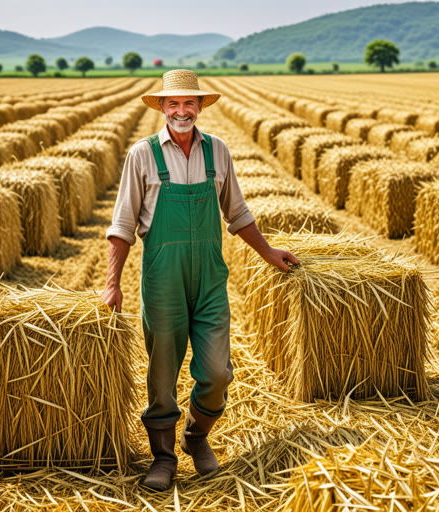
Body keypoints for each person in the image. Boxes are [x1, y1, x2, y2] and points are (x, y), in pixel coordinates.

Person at [101, 69, 299, 491]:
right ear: (162, 108)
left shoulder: (218, 152)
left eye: (189, 103)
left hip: (210, 276)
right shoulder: (143, 154)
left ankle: (196, 436)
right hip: (162, 277)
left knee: (217, 371)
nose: (181, 110)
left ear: (200, 107)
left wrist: (268, 252)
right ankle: (164, 457)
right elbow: (122, 224)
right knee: (162, 371)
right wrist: (112, 283)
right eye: (173, 103)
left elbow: (238, 212)